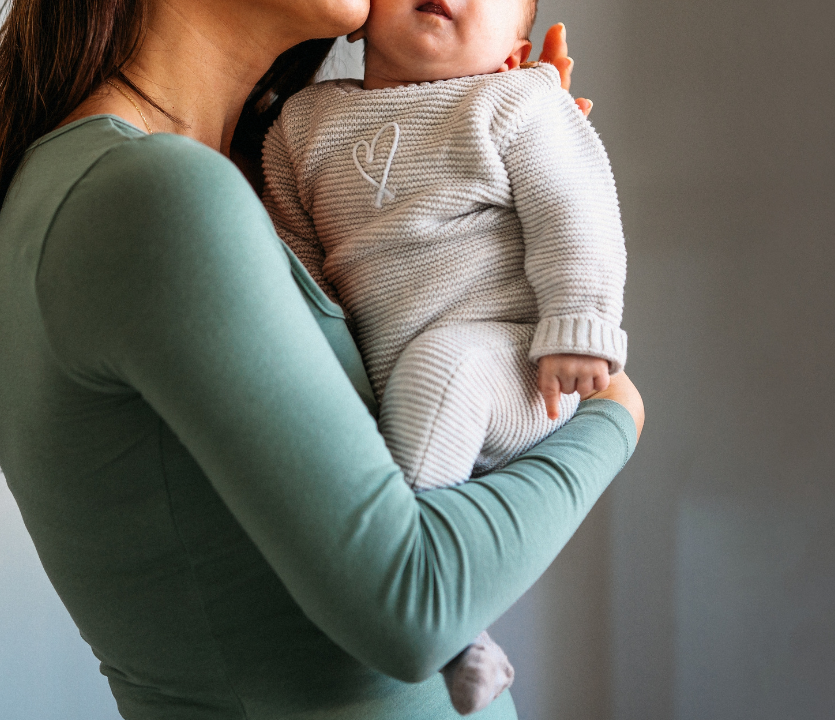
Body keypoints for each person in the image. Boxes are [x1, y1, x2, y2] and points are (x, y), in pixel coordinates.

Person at [0, 2, 645, 718]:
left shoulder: (179, 178)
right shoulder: (157, 193)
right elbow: (413, 605)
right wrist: (616, 415)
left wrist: (467, 180)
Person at [261, 0, 627, 711]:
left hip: (515, 365)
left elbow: (575, 209)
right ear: (361, 17)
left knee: (446, 368)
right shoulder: (302, 127)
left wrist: (579, 325)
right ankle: (466, 633)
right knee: (417, 387)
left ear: (513, 54)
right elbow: (298, 263)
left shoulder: (515, 102)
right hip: (395, 380)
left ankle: (422, 595)